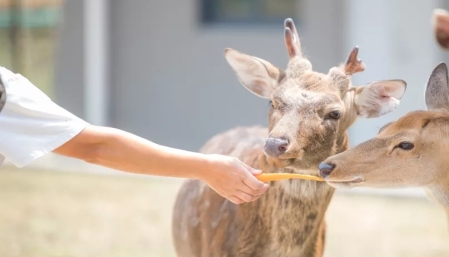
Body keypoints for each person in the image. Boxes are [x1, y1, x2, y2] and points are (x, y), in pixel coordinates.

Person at [0, 66, 268, 204]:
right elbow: (97, 147)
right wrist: (208, 167)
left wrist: (208, 167)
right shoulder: (4, 93)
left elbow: (96, 147)